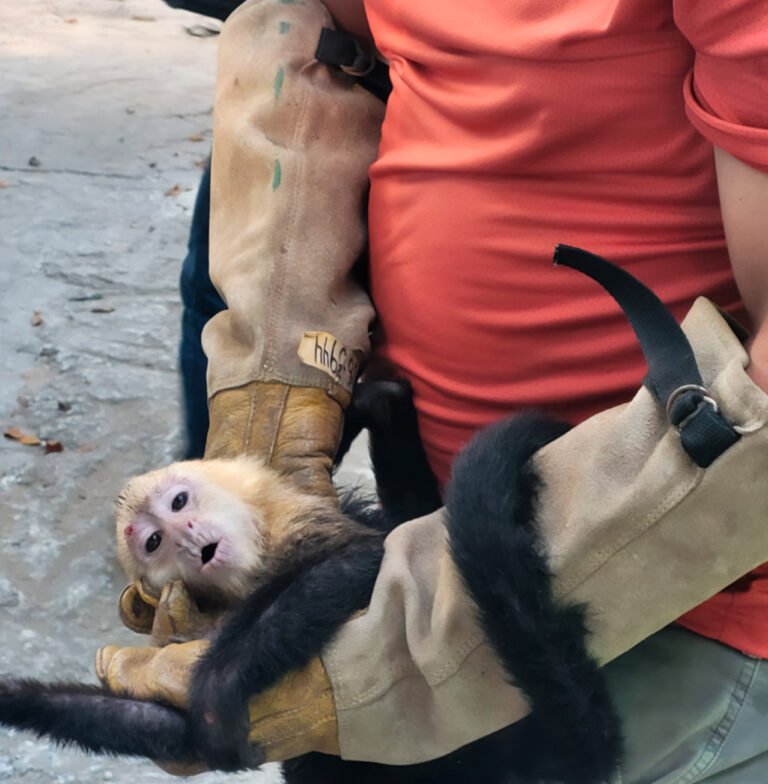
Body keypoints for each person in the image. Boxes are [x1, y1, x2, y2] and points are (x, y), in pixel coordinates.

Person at [99, 0, 768, 780]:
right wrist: (275, 384)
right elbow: (327, 30)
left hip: (685, 597)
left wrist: (438, 647)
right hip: (433, 533)